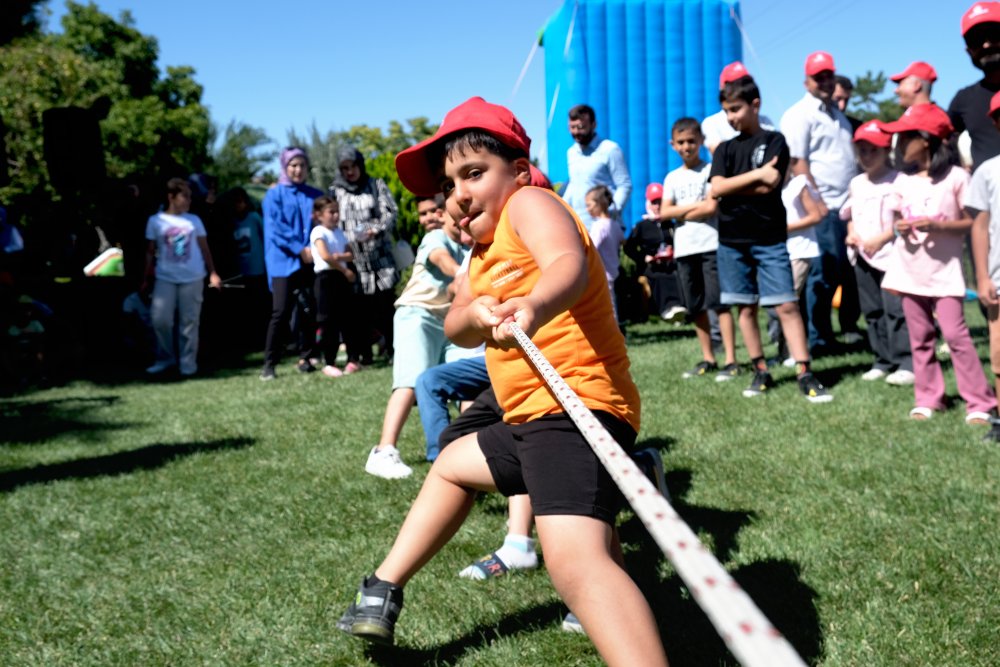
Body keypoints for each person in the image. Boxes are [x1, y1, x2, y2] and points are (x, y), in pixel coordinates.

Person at [337, 97, 668, 666]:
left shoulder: (531, 204)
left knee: (573, 562)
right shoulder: (481, 252)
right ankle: (384, 587)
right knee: (452, 462)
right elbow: (457, 323)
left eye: (473, 173)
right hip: (527, 416)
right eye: (449, 184)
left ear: (517, 171)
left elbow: (567, 263)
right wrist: (479, 310)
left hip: (574, 406)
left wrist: (533, 304)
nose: (458, 194)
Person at [709, 76, 833, 403]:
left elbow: (770, 184)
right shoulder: (725, 148)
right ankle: (760, 369)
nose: (731, 117)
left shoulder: (776, 141)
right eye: (726, 111)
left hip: (769, 238)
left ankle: (804, 371)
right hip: (731, 240)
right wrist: (755, 176)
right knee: (745, 307)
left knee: (787, 305)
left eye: (736, 109)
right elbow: (717, 188)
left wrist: (735, 186)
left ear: (755, 105)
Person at [880, 103, 996, 423]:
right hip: (909, 271)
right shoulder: (902, 181)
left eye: (905, 137)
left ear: (926, 139)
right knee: (920, 338)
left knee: (956, 336)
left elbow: (972, 222)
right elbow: (895, 221)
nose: (899, 145)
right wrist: (900, 227)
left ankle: (980, 402)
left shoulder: (957, 178)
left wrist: (939, 226)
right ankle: (929, 397)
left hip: (945, 273)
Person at [365, 207, 472, 479]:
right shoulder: (436, 237)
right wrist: (462, 274)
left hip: (451, 321)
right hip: (418, 314)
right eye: (455, 215)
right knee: (410, 381)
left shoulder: (470, 249)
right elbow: (441, 259)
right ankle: (384, 451)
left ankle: (471, 446)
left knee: (468, 383)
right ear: (444, 216)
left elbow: (452, 290)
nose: (461, 221)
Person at [780, 51, 860, 355]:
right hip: (822, 207)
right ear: (807, 82)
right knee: (821, 276)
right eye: (819, 77)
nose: (825, 81)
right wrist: (817, 202)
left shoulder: (838, 117)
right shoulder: (799, 115)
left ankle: (827, 334)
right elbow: (797, 162)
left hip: (846, 207)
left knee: (839, 273)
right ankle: (817, 339)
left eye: (829, 75)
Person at [661, 117, 738, 380]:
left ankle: (731, 359)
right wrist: (695, 208)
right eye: (681, 142)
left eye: (691, 141)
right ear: (673, 145)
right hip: (685, 248)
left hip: (710, 245)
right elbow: (664, 212)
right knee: (696, 307)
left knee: (719, 304)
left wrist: (680, 212)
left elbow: (711, 207)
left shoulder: (710, 171)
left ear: (701, 141)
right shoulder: (672, 177)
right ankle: (708, 358)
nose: (686, 147)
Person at [842, 121, 914, 386]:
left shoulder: (899, 181)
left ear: (886, 152)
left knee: (895, 309)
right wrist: (851, 233)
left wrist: (881, 239)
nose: (867, 156)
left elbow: (904, 220)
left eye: (874, 150)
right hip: (862, 256)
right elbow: (850, 215)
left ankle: (906, 362)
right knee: (872, 310)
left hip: (892, 256)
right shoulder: (856, 183)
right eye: (862, 150)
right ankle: (882, 360)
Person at [142, 177, 222, 377]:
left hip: (193, 277)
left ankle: (188, 364)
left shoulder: (194, 220)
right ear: (171, 197)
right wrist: (145, 277)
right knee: (160, 319)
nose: (188, 200)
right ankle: (165, 358)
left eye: (189, 196)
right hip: (165, 277)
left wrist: (213, 272)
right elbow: (150, 251)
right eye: (184, 196)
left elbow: (205, 249)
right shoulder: (156, 221)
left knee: (189, 322)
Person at [329, 146, 399, 365]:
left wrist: (375, 230)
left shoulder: (376, 185)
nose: (350, 172)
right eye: (344, 168)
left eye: (353, 166)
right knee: (359, 311)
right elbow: (330, 221)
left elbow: (391, 213)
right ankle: (364, 354)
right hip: (353, 262)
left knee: (385, 307)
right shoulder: (335, 191)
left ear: (360, 165)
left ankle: (393, 349)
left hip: (380, 259)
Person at [260, 147, 323, 380]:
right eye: (293, 165)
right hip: (282, 261)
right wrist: (299, 248)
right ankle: (269, 363)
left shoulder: (314, 194)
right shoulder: (274, 195)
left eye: (302, 165)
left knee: (308, 309)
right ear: (285, 167)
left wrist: (313, 248)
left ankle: (306, 357)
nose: (298, 170)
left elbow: (323, 222)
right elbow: (275, 228)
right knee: (281, 311)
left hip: (309, 259)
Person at [768, 164, 825, 365]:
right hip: (779, 251)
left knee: (787, 302)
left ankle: (795, 353)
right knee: (782, 303)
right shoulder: (771, 189)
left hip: (801, 251)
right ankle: (784, 351)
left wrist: (785, 228)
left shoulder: (798, 184)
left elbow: (816, 215)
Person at [969, 90, 1000, 441]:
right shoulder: (988, 171)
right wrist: (981, 276)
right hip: (998, 279)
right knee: (999, 353)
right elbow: (979, 227)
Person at [562, 104, 632, 231]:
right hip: (581, 226)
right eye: (572, 127)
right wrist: (562, 208)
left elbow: (624, 185)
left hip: (606, 227)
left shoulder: (609, 149)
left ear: (593, 125)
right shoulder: (571, 152)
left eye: (581, 127)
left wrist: (609, 213)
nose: (576, 132)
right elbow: (574, 185)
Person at [624, 184, 687, 322]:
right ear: (648, 204)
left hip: (671, 263)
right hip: (652, 266)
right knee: (659, 276)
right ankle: (668, 308)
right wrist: (644, 258)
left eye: (660, 202)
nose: (657, 206)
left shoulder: (670, 224)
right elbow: (628, 248)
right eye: (654, 203)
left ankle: (681, 308)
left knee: (678, 273)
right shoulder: (642, 226)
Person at [309, 195, 356, 378]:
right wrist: (344, 269)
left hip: (339, 278)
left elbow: (350, 254)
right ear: (319, 215)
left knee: (347, 318)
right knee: (328, 321)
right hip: (326, 278)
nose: (336, 215)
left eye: (337, 211)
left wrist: (339, 257)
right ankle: (329, 361)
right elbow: (325, 256)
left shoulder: (339, 232)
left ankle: (353, 358)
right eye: (331, 212)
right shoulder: (318, 232)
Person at [950, 2, 1000, 170]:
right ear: (969, 51)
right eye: (976, 40)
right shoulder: (963, 99)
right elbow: (944, 141)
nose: (986, 45)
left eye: (994, 35)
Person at [701, 61, 775, 155]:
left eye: (745, 83)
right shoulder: (711, 123)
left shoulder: (765, 121)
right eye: (734, 84)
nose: (740, 88)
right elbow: (721, 155)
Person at [584, 184, 625, 318]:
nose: (587, 209)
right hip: (613, 270)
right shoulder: (615, 224)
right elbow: (622, 241)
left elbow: (591, 247)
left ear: (599, 204)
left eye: (589, 205)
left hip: (602, 273)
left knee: (605, 306)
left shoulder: (598, 226)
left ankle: (612, 329)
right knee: (611, 303)